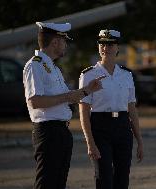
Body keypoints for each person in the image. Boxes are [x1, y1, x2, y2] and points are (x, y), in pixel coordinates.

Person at [23, 22, 105, 189]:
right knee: (46, 183)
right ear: (55, 42)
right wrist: (67, 96)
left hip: (61, 132)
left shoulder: (53, 68)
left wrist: (88, 90)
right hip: (48, 132)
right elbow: (35, 101)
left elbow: (67, 98)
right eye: (64, 41)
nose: (66, 45)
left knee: (58, 183)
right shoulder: (35, 65)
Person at [79, 29, 144, 189]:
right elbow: (84, 111)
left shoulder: (126, 75)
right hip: (100, 127)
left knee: (122, 178)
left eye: (110, 44)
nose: (105, 48)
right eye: (102, 44)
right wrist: (90, 142)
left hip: (122, 126)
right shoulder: (88, 75)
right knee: (104, 177)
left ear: (117, 48)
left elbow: (132, 109)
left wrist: (139, 140)